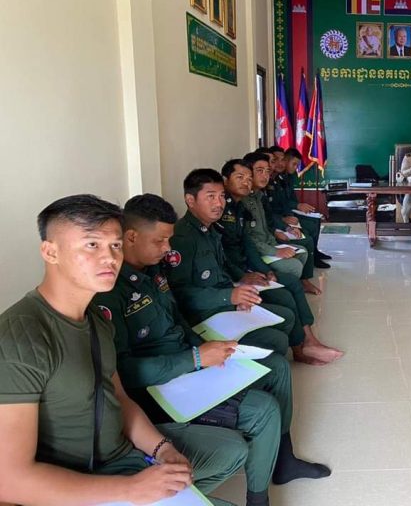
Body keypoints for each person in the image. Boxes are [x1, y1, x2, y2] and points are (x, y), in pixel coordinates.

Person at [0, 195, 247, 506]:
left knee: (230, 450)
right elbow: (9, 482)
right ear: (51, 252)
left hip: (121, 457)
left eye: (115, 245)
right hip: (76, 481)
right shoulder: (20, 337)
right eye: (92, 245)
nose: (109, 258)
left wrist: (162, 449)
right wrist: (130, 490)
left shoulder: (95, 319)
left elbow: (118, 398)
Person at [96, 194, 331, 506]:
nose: (167, 248)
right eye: (160, 241)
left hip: (188, 367)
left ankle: (284, 458)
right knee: (263, 410)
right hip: (160, 391)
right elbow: (123, 372)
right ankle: (258, 499)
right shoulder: (109, 292)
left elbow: (177, 320)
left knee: (276, 367)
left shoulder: (153, 271)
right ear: (131, 237)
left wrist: (204, 348)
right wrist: (195, 358)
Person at [219, 159, 342, 364]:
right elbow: (228, 254)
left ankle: (308, 342)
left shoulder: (240, 206)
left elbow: (249, 242)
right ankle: (303, 346)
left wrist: (264, 270)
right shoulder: (224, 212)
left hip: (248, 266)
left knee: (293, 274)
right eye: (241, 177)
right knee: (289, 282)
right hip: (236, 276)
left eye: (249, 178)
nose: (247, 182)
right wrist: (249, 273)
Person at [165, 169, 297, 355]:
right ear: (190, 200)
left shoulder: (211, 229)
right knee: (278, 339)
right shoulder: (182, 238)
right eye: (211, 197)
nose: (219, 203)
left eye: (221, 196)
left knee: (286, 317)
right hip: (203, 315)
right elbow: (179, 293)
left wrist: (238, 291)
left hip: (223, 304)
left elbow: (223, 267)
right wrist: (229, 297)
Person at [265, 146, 330, 270]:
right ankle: (312, 258)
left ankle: (315, 252)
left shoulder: (283, 178)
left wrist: (296, 207)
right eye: (294, 164)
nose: (280, 163)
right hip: (279, 217)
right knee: (309, 227)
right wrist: (290, 213)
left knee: (315, 219)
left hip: (286, 213)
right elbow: (276, 206)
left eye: (282, 160)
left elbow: (289, 199)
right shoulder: (271, 181)